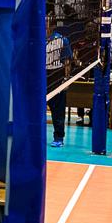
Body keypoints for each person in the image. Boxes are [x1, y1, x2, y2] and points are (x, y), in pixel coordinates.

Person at [46, 15, 72, 148]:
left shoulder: (62, 40)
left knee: (58, 110)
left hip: (56, 76)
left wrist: (66, 80)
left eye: (47, 22)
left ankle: (58, 137)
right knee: (34, 109)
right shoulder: (35, 38)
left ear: (52, 25)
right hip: (40, 76)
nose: (44, 24)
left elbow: (67, 61)